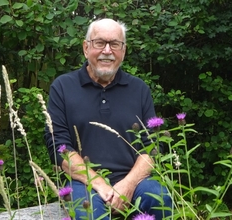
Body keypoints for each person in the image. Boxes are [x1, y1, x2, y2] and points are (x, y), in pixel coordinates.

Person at [44, 18, 172, 219]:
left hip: (135, 180)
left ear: (123, 51)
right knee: (89, 213)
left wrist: (128, 184)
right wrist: (100, 184)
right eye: (99, 43)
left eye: (114, 44)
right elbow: (59, 146)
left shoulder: (139, 89)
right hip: (84, 182)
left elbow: (153, 147)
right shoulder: (63, 87)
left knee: (160, 198)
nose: (107, 50)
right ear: (86, 48)